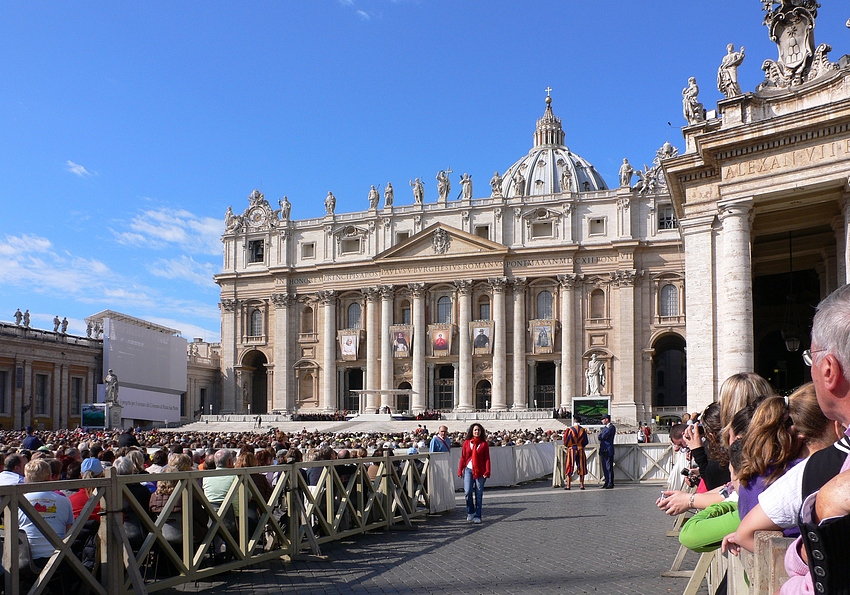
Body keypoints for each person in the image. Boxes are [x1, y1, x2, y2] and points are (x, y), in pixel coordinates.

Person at [458, 423, 490, 523]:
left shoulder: (484, 444)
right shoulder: (467, 443)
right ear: (472, 431)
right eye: (475, 430)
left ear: (481, 432)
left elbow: (487, 459)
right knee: (467, 492)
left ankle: (478, 515)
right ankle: (470, 511)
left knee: (478, 494)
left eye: (479, 430)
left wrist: (487, 470)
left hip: (480, 471)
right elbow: (463, 457)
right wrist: (460, 469)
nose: (477, 432)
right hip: (468, 469)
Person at [563, 417, 588, 490]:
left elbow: (566, 441)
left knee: (569, 465)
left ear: (574, 420)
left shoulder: (569, 429)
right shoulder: (583, 430)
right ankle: (581, 484)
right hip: (580, 449)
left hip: (571, 449)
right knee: (581, 466)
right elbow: (585, 441)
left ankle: (568, 485)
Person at [598, 413, 616, 489]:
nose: (602, 421)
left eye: (603, 419)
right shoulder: (605, 428)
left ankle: (610, 482)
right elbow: (600, 436)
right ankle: (606, 481)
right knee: (604, 467)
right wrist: (602, 436)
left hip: (608, 449)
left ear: (606, 419)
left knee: (609, 467)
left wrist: (602, 436)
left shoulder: (611, 427)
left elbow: (602, 436)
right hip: (603, 449)